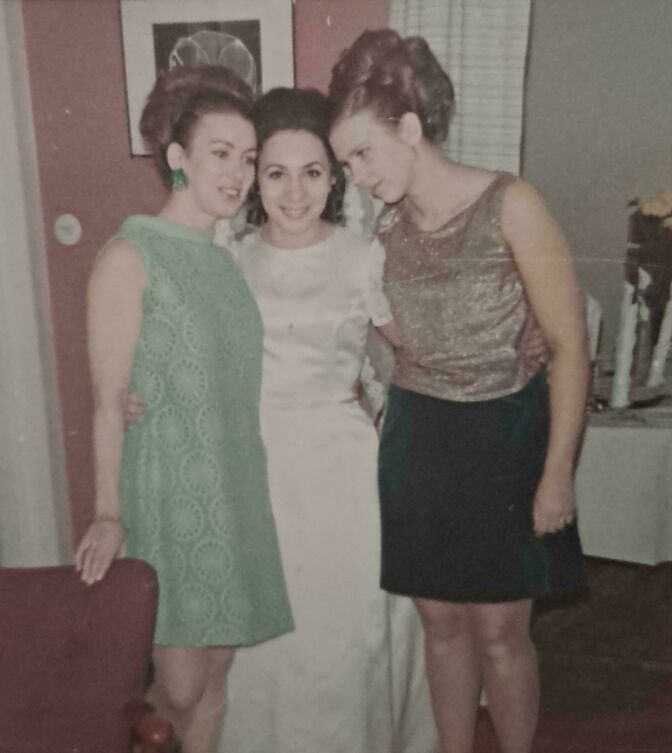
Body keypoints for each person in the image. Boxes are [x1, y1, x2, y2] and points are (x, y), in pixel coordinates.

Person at [328, 28, 589, 753]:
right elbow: (374, 339)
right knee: (440, 628)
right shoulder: (380, 235)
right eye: (345, 161)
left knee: (502, 634)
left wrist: (558, 472)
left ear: (410, 129)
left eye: (362, 154)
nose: (355, 174)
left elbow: (570, 349)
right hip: (420, 442)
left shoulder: (513, 203)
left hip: (506, 437)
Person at [74, 65, 293, 753]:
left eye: (248, 158)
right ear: (178, 157)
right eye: (220, 154)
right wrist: (109, 513)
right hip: (169, 493)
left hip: (234, 489)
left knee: (219, 671)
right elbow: (109, 401)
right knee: (179, 686)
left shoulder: (225, 261)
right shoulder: (128, 255)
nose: (238, 173)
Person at [213, 86, 397, 753]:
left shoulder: (362, 256)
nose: (295, 192)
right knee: (264, 641)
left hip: (341, 469)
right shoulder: (230, 257)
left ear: (335, 175)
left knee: (339, 632)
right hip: (258, 467)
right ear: (257, 177)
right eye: (277, 172)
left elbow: (403, 360)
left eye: (313, 171)